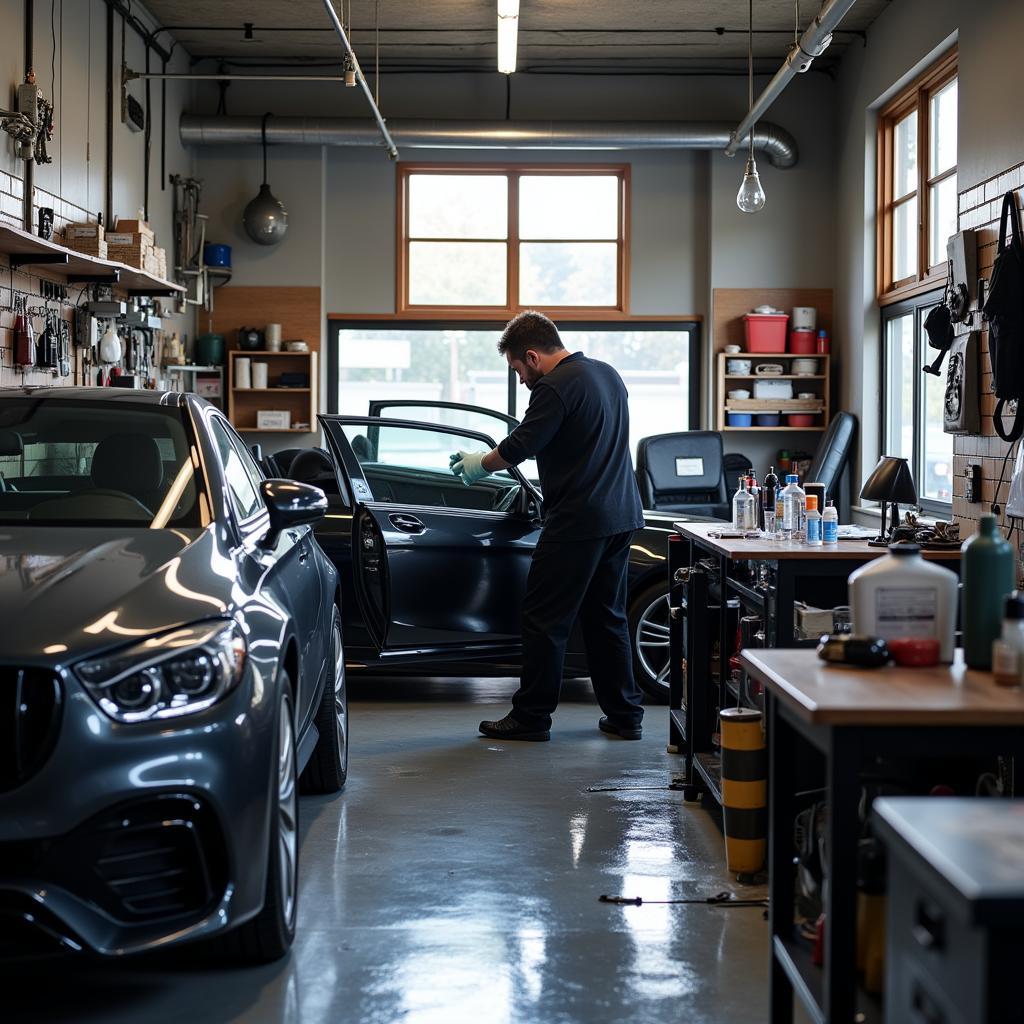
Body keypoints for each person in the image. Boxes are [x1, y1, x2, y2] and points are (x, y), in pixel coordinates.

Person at [450, 310, 646, 742]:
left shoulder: (554, 388)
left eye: (518, 370)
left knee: (544, 620)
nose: (521, 380)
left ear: (533, 357)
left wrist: (479, 465)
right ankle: (625, 715)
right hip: (622, 515)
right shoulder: (607, 375)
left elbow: (522, 444)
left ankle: (531, 717)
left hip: (579, 520)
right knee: (607, 619)